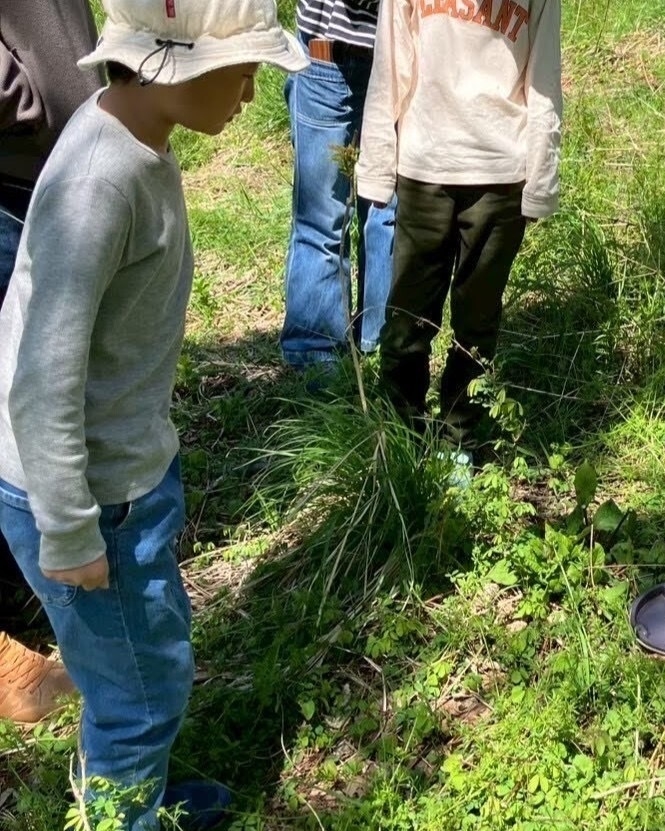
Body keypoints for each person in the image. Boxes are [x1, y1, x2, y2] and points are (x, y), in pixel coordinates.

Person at [0, 0, 307, 828]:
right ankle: (126, 813)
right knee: (138, 692)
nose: (251, 94)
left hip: (121, 470)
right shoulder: (100, 183)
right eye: (243, 71)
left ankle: (142, 792)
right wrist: (69, 529)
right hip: (89, 497)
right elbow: (40, 374)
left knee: (137, 657)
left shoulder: (134, 139)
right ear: (175, 63)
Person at [356, 0, 562, 450]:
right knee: (407, 320)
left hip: (500, 174)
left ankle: (459, 441)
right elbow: (389, 68)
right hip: (424, 166)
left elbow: (544, 80)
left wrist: (540, 181)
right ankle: (400, 438)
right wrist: (376, 167)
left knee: (477, 324)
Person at [0, 0, 103, 726]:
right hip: (12, 166)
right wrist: (23, 102)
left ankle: (36, 580)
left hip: (53, 165)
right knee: (18, 401)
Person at [279, 0, 396, 370]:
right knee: (324, 219)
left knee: (385, 210)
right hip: (327, 54)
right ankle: (318, 363)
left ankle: (378, 350)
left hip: (399, 56)